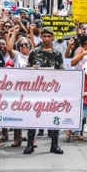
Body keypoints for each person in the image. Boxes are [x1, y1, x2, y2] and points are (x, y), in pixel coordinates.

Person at [23, 27, 65, 155]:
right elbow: (27, 69)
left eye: (49, 36)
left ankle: (54, 144)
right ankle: (30, 144)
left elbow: (62, 72)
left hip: (52, 91)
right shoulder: (34, 52)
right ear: (41, 37)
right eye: (44, 36)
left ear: (52, 38)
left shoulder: (57, 54)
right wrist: (33, 69)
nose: (46, 39)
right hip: (36, 91)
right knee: (33, 117)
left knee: (54, 116)